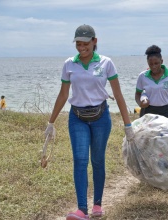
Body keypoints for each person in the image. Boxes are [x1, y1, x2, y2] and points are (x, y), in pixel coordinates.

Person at [44, 24, 134, 220]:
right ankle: (82, 209)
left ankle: (98, 204)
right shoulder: (69, 64)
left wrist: (128, 125)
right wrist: (50, 122)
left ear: (95, 42)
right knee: (80, 160)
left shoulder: (106, 63)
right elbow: (63, 95)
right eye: (78, 43)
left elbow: (118, 94)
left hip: (101, 117)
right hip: (77, 118)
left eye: (85, 43)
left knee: (98, 160)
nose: (81, 47)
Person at [135, 45, 168, 126]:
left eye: (156, 63)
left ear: (161, 61)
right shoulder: (142, 76)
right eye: (150, 64)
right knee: (148, 137)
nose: (153, 66)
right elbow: (137, 94)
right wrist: (140, 103)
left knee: (167, 136)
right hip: (148, 111)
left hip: (166, 111)